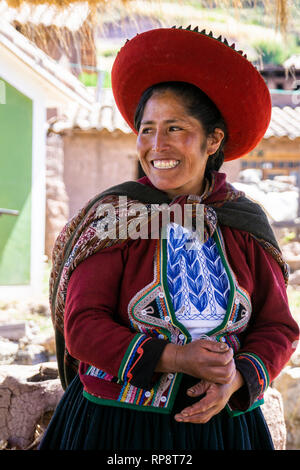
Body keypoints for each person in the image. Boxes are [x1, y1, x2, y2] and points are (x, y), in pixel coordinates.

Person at [39, 26, 299, 451]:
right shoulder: (116, 219)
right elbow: (83, 328)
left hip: (223, 430)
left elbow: (277, 326)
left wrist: (237, 378)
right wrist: (176, 357)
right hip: (117, 430)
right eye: (147, 129)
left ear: (213, 139)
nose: (157, 144)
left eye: (175, 128)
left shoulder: (244, 224)